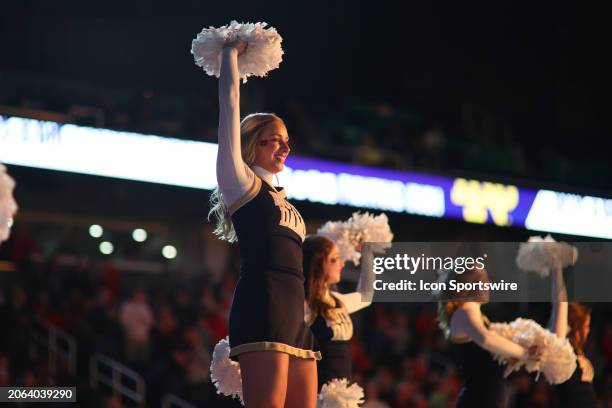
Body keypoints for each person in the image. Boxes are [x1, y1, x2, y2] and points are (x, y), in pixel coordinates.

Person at [208, 39, 320, 408]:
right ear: (252, 144)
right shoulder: (241, 183)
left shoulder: (285, 200)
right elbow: (229, 106)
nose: (285, 149)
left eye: (287, 141)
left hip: (295, 315)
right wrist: (229, 55)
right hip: (263, 304)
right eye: (274, 141)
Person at [437, 267, 537, 408]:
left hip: (488, 398)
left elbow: (485, 360)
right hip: (478, 399)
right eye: (481, 280)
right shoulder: (463, 313)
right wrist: (525, 353)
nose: (488, 284)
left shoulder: (475, 316)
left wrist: (509, 358)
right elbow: (486, 339)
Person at [302, 235, 372, 388]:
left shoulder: (337, 300)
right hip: (318, 393)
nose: (341, 264)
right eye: (334, 259)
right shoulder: (305, 305)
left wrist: (367, 252)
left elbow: (367, 295)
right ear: (318, 264)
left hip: (344, 392)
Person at [549, 266, 597, 407]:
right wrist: (556, 270)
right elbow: (559, 303)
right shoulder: (564, 350)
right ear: (576, 327)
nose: (588, 331)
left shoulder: (577, 352)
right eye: (586, 326)